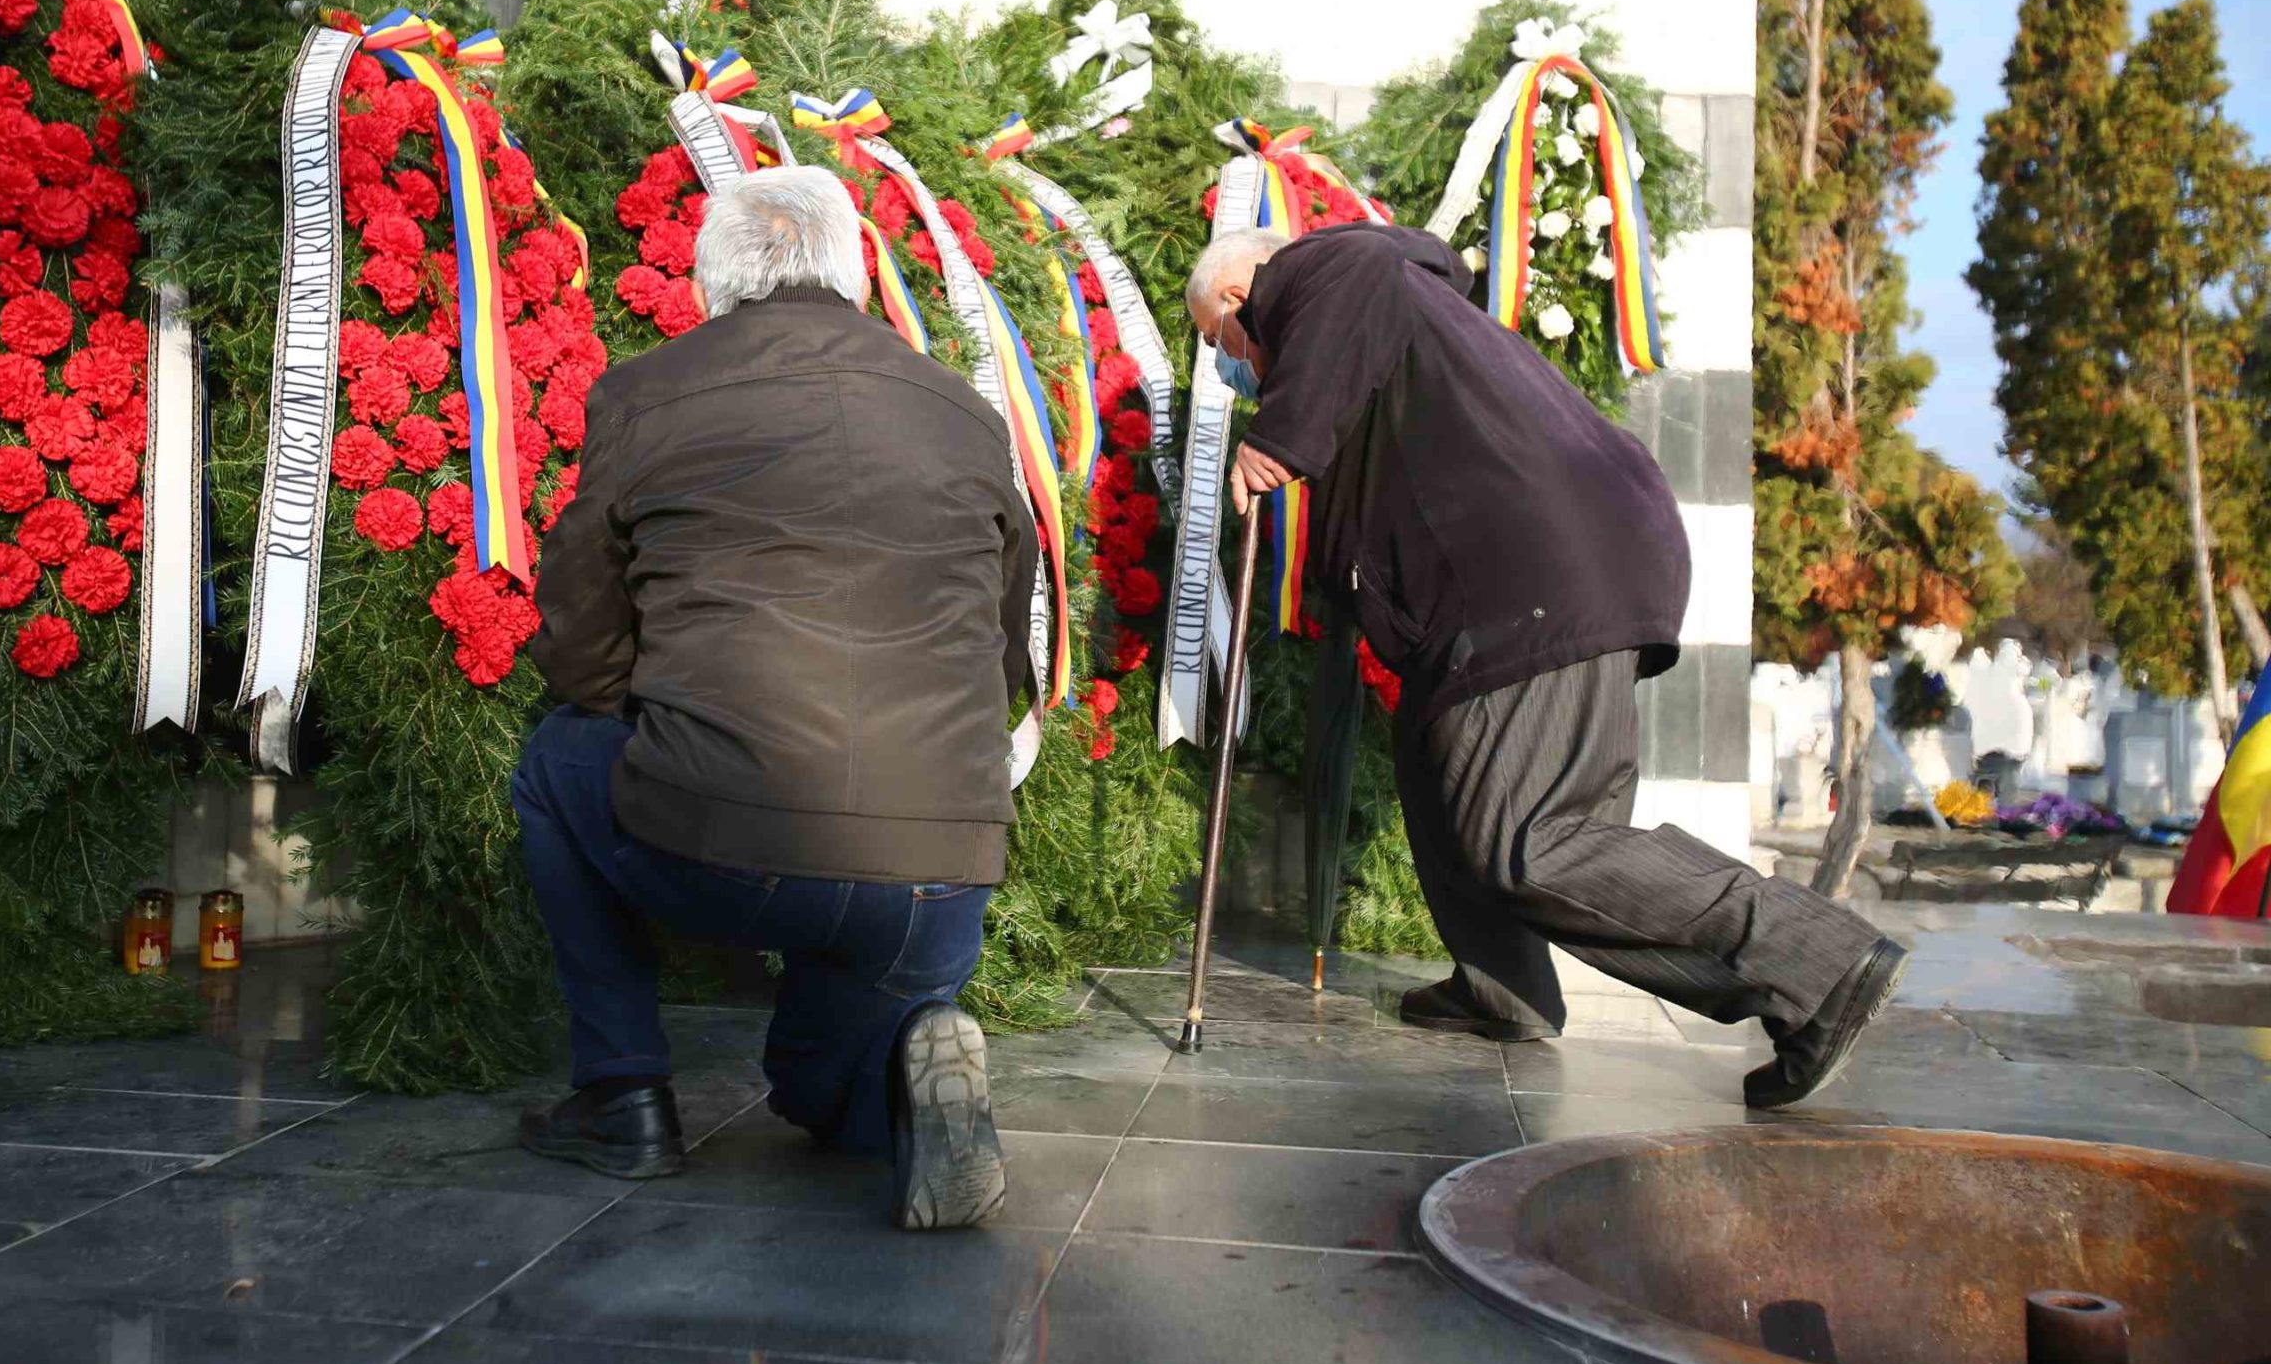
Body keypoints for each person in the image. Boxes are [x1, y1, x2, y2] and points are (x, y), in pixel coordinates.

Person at [1187, 219, 1907, 1109]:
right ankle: (1504, 984)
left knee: (1533, 840)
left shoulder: (1329, 271)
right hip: (1566, 561)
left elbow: (1360, 261)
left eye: (1219, 343)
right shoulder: (1397, 319)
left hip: (1534, 574)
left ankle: (1818, 960)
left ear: (1234, 299)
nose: (1229, 364)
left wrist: (1279, 436)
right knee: (1434, 758)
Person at [514, 164, 1037, 1228]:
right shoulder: (963, 411)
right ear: (853, 275)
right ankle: (898, 1075)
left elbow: (579, 645)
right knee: (815, 1094)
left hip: (725, 837)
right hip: (939, 867)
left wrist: (657, 712)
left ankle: (624, 1098)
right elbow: (1005, 645)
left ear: (712, 281)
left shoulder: (646, 393)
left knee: (557, 761)